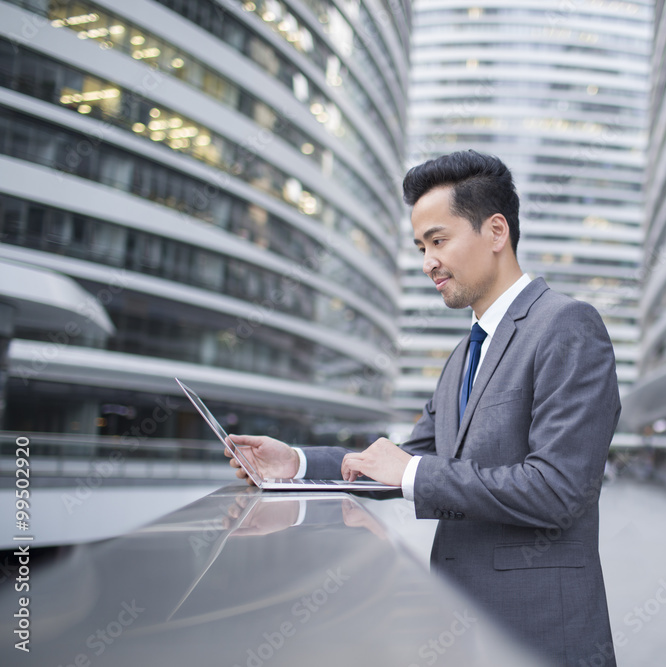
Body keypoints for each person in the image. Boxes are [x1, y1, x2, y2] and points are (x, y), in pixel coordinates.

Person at [226, 150, 621, 666]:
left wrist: (413, 472)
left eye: (438, 241)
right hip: (461, 629)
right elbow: (401, 461)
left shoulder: (568, 326)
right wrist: (296, 464)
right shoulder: (464, 354)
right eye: (420, 246)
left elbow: (557, 490)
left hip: (541, 634)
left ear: (496, 231)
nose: (427, 262)